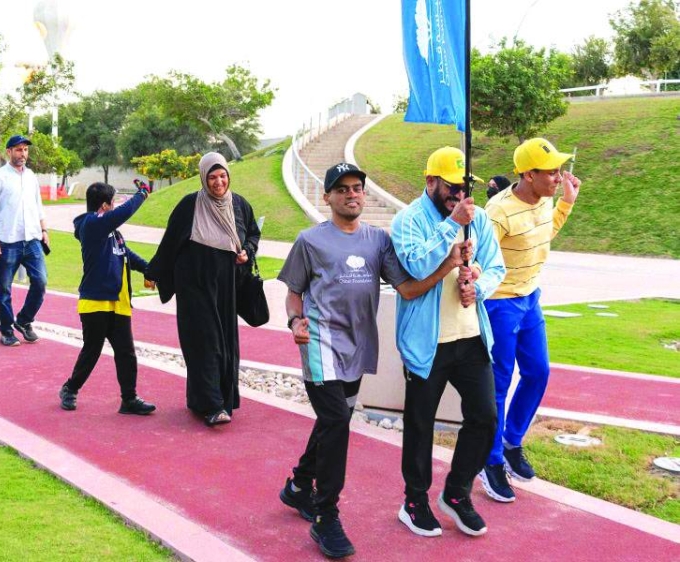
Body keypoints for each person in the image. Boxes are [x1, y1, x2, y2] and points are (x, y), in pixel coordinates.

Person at [277, 163, 469, 558]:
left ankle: (298, 485)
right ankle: (325, 516)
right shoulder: (309, 241)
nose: (352, 195)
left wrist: (449, 265)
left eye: (357, 188)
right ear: (327, 197)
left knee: (336, 421)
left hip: (358, 347)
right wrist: (295, 320)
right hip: (320, 345)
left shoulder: (377, 242)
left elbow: (409, 289)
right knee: (335, 422)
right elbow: (293, 293)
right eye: (343, 189)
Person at [390, 146, 506, 538]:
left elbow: (496, 267)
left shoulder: (480, 219)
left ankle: (456, 493)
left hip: (471, 337)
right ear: (431, 182)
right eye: (452, 188)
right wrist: (449, 229)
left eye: (464, 187)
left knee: (485, 417)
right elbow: (416, 266)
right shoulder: (408, 220)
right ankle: (414, 501)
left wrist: (479, 283)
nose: (460, 195)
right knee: (420, 424)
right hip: (427, 344)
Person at [477, 138, 581, 503]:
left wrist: (566, 202)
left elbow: (544, 233)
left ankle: (511, 443)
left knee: (538, 372)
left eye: (558, 170)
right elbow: (481, 259)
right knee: (499, 383)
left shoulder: (547, 198)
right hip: (500, 304)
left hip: (530, 298)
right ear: (528, 174)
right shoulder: (498, 212)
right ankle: (488, 461)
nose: (558, 176)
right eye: (550, 172)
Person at [145, 152, 260, 426]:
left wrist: (248, 252)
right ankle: (212, 405)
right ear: (203, 178)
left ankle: (213, 399)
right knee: (205, 343)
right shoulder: (190, 205)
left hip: (227, 288)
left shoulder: (240, 205)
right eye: (212, 177)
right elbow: (171, 240)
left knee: (225, 343)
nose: (218, 182)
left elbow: (253, 234)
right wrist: (153, 272)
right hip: (195, 286)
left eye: (222, 176)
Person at [58, 182, 156, 416]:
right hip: (95, 301)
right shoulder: (91, 225)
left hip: (119, 302)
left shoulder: (113, 233)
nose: (116, 207)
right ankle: (70, 388)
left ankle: (129, 399)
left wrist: (151, 269)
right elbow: (124, 213)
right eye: (113, 203)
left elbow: (127, 254)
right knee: (92, 349)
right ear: (105, 206)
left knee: (126, 352)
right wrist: (142, 194)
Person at [0, 135, 49, 346]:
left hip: (32, 239)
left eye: (25, 150)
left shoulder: (31, 176)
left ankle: (24, 320)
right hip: (7, 240)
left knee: (40, 282)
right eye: (18, 150)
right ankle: (6, 330)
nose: (23, 154)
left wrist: (44, 229)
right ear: (8, 152)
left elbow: (38, 206)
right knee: (4, 289)